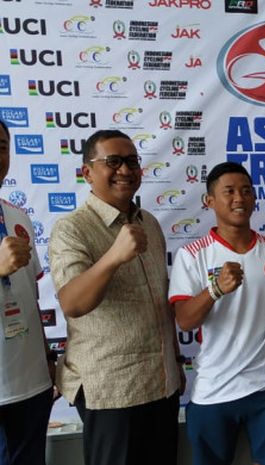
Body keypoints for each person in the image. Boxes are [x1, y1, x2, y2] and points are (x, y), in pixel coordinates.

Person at [48, 129, 182, 465]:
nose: (125, 169)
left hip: (161, 383)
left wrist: (176, 363)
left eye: (132, 161)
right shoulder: (72, 228)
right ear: (87, 172)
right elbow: (73, 304)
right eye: (114, 161)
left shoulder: (149, 222)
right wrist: (113, 255)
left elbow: (160, 301)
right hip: (111, 389)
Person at [168, 162, 265, 465]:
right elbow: (184, 319)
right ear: (209, 201)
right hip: (215, 390)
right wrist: (215, 289)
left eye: (246, 191)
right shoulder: (193, 254)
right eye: (229, 192)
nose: (240, 198)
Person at [0, 119, 54, 465]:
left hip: (32, 382)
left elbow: (31, 297)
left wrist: (47, 358)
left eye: (2, 146)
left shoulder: (17, 215)